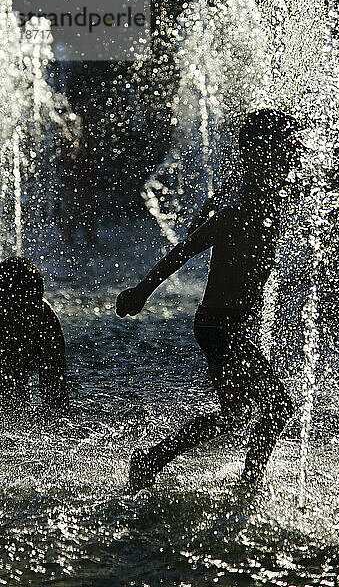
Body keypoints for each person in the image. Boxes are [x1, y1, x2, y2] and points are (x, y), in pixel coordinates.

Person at [116, 109, 302, 494]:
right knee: (278, 407)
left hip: (225, 324)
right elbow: (184, 250)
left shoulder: (255, 195)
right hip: (221, 326)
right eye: (285, 149)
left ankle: (153, 459)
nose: (293, 158)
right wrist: (141, 293)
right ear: (263, 154)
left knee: (236, 417)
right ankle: (250, 486)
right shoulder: (240, 210)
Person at [0, 257, 69, 413]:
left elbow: (56, 398)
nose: (31, 317)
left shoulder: (47, 322)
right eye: (23, 309)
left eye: (35, 305)